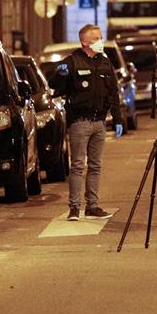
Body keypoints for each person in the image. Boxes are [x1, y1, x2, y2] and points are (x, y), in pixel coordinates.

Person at [49, 24, 124, 221]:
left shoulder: (105, 63)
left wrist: (117, 119)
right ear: (85, 42)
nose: (101, 41)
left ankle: (93, 206)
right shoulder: (72, 62)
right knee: (77, 166)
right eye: (97, 38)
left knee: (96, 166)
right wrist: (60, 73)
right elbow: (53, 85)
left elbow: (113, 93)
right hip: (79, 123)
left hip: (100, 122)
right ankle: (74, 208)